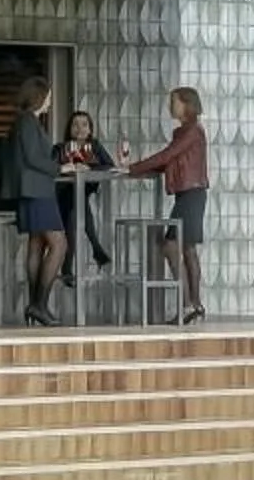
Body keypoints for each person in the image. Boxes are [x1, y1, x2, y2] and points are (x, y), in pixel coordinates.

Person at [117, 86, 210, 324]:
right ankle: (194, 305)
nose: (171, 106)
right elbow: (169, 160)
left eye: (174, 102)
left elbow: (167, 156)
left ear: (187, 104)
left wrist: (133, 168)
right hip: (189, 193)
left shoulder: (192, 132)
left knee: (172, 245)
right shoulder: (184, 132)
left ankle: (189, 303)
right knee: (187, 248)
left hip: (191, 192)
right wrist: (136, 171)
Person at [6, 75, 68, 326]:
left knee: (37, 244)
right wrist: (59, 169)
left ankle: (35, 306)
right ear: (39, 97)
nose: (51, 101)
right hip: (36, 191)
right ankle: (39, 304)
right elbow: (33, 157)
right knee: (59, 244)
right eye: (49, 96)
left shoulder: (25, 122)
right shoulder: (28, 121)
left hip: (31, 191)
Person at [54, 109, 115, 283]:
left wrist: (89, 168)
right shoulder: (60, 148)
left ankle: (67, 266)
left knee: (77, 205)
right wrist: (69, 167)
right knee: (75, 201)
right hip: (61, 197)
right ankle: (96, 249)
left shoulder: (94, 146)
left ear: (90, 129)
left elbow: (109, 166)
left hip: (79, 196)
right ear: (69, 129)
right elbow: (51, 168)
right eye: (75, 124)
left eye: (84, 124)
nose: (80, 128)